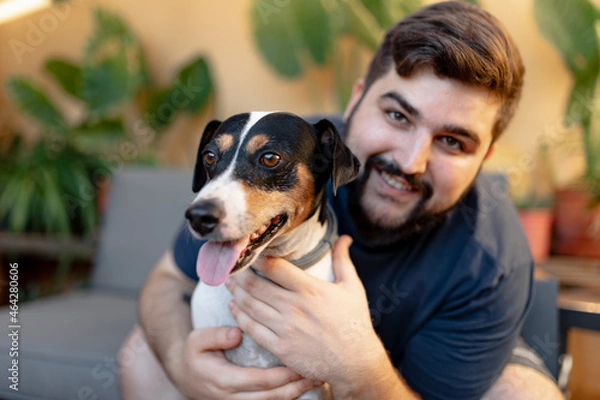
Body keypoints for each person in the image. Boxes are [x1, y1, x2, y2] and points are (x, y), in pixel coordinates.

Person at [119, 2, 564, 399]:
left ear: (484, 156)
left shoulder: (493, 257)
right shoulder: (292, 145)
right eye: (397, 115)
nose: (410, 161)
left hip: (414, 370)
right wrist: (185, 367)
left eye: (452, 141)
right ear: (356, 99)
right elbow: (167, 281)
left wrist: (357, 364)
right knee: (142, 353)